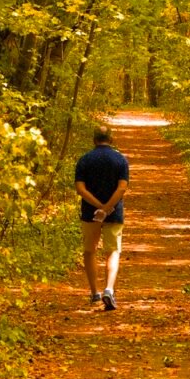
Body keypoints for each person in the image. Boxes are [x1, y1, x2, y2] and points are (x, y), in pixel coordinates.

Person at [74, 125, 129, 311]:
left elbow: (80, 189)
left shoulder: (84, 160)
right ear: (111, 139)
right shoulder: (120, 159)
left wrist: (98, 207)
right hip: (114, 213)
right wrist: (107, 208)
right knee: (112, 250)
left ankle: (94, 292)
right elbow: (122, 188)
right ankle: (109, 289)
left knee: (90, 251)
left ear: (94, 139)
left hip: (90, 213)